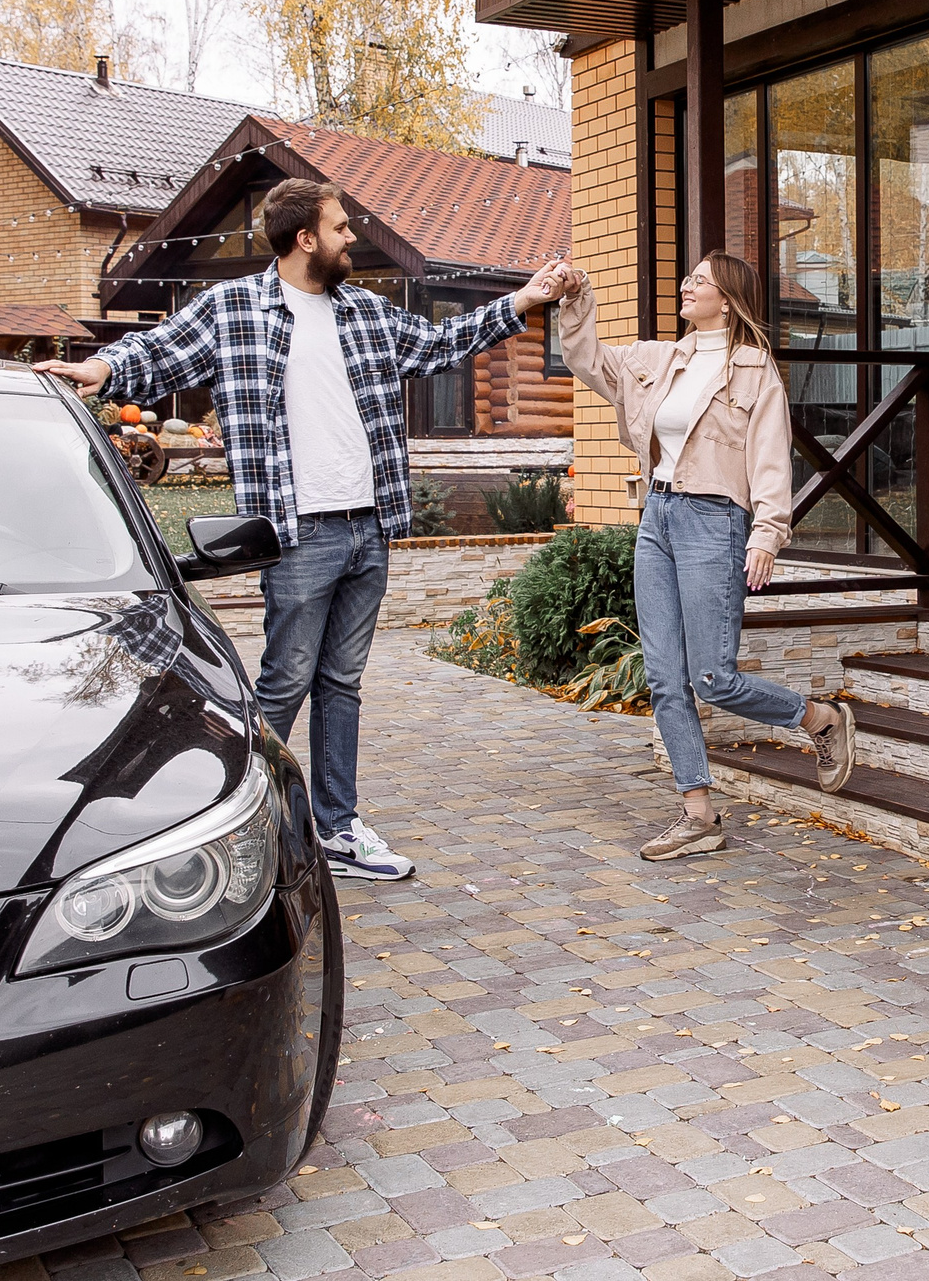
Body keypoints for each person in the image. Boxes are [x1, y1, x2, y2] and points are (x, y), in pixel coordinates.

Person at [40, 178, 571, 881]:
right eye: (341, 227)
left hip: (367, 526)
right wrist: (100, 367)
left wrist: (522, 300)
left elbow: (441, 343)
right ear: (305, 239)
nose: (352, 237)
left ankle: (338, 827)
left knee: (343, 682)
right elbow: (159, 352)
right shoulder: (234, 309)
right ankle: (227, 818)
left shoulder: (364, 313)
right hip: (298, 534)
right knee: (285, 679)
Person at [557, 251, 857, 862]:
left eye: (701, 280)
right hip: (658, 518)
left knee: (712, 679)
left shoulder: (756, 372)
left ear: (729, 297)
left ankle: (820, 719)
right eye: (690, 278)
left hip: (715, 523)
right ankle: (699, 815)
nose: (688, 286)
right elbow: (586, 358)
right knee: (665, 681)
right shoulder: (660, 359)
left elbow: (771, 462)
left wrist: (766, 535)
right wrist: (576, 299)